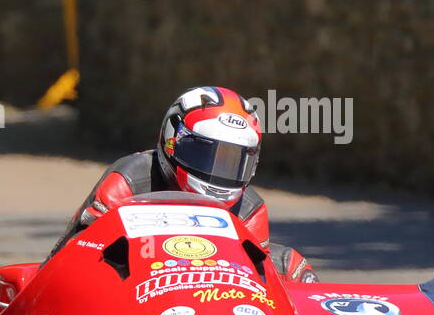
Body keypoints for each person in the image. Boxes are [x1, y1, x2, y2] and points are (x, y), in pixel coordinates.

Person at [46, 87, 317, 283]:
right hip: (133, 294)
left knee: (292, 268)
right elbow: (79, 258)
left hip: (214, 302)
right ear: (171, 139)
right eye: (203, 154)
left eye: (231, 162)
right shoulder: (129, 180)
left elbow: (260, 283)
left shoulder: (250, 210)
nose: (215, 172)